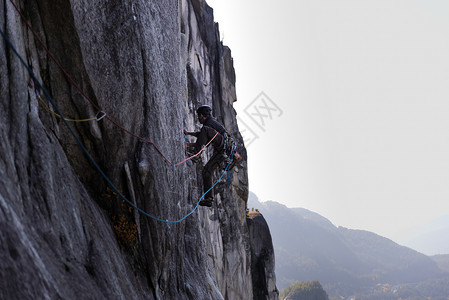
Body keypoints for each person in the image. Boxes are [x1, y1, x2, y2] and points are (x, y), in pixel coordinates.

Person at [184, 105, 241, 207]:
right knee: (207, 171)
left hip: (223, 146)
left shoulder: (209, 122)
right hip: (222, 151)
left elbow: (203, 134)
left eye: (198, 116)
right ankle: (209, 199)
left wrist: (192, 145)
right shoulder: (210, 124)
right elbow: (203, 136)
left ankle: (196, 155)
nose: (198, 118)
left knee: (205, 130)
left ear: (201, 115)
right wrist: (188, 134)